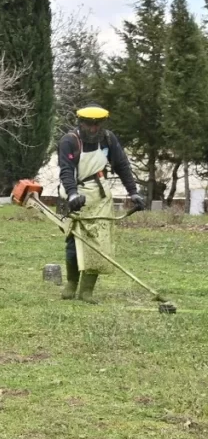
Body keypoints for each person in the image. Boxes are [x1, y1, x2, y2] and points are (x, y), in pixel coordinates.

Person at [57, 104, 145, 303]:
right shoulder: (69, 141)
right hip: (74, 193)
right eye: (89, 124)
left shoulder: (108, 139)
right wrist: (72, 195)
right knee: (74, 239)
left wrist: (133, 193)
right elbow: (66, 171)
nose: (93, 129)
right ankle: (72, 283)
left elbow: (122, 165)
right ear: (81, 122)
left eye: (97, 125)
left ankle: (86, 291)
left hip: (99, 194)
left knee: (99, 241)